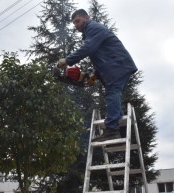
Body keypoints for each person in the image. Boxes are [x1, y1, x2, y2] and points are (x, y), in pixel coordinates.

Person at [58, 9, 137, 141]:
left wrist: (67, 60)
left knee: (112, 93)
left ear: (86, 17)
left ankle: (112, 130)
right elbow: (101, 57)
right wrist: (94, 75)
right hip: (116, 66)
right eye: (74, 23)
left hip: (118, 66)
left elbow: (88, 48)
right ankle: (117, 128)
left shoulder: (93, 27)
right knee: (114, 94)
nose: (76, 25)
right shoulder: (91, 32)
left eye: (78, 21)